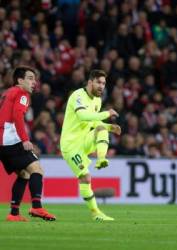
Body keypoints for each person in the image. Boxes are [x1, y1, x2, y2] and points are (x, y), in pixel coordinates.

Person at [60, 69, 121, 221]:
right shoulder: (77, 95)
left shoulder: (97, 101)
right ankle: (95, 213)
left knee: (101, 129)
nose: (102, 86)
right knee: (86, 178)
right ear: (90, 82)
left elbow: (93, 121)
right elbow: (82, 116)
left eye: (104, 83)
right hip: (70, 146)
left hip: (84, 141)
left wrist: (108, 127)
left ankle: (101, 159)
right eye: (99, 82)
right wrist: (107, 114)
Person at [0, 66, 56, 222]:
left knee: (24, 174)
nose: (34, 82)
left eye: (35, 79)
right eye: (30, 78)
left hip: (2, 142)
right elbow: (17, 115)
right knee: (36, 169)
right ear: (20, 80)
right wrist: (25, 139)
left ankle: (14, 213)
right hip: (10, 139)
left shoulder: (7, 93)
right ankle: (37, 206)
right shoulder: (21, 93)